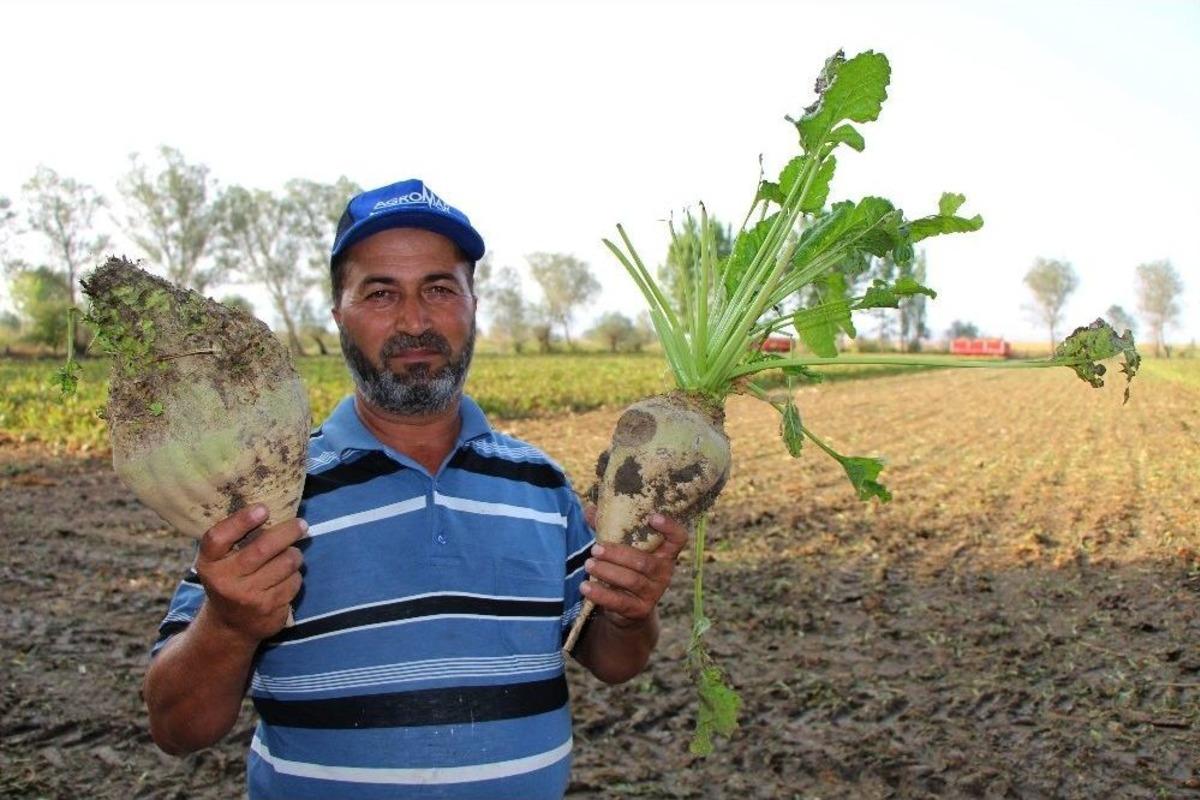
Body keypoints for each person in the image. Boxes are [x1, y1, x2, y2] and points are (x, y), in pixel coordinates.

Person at [142, 178, 689, 799]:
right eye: (380, 293)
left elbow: (615, 661)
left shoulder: (540, 484)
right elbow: (176, 728)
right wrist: (229, 625)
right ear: (338, 313)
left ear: (473, 303)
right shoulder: (266, 496)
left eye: (439, 288)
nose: (415, 320)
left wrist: (630, 611)